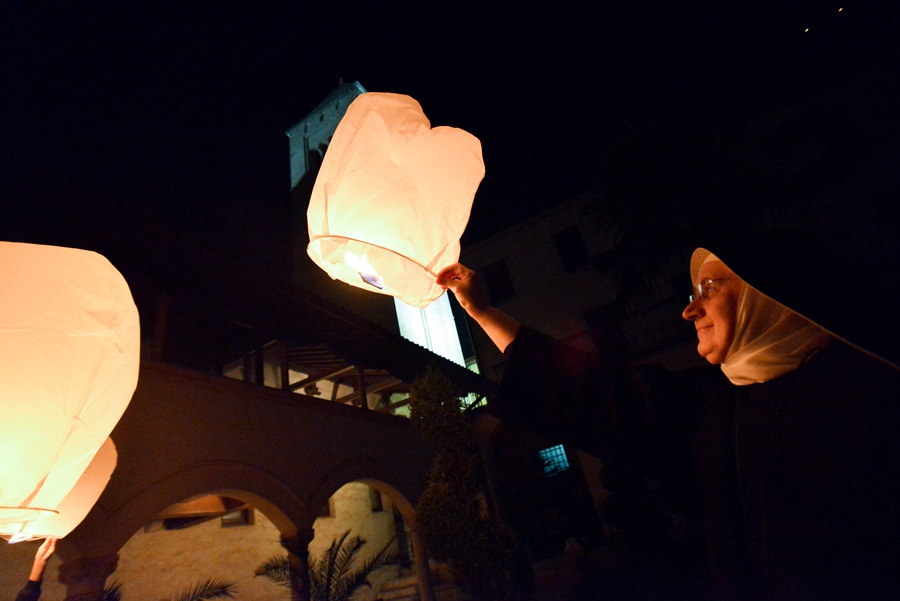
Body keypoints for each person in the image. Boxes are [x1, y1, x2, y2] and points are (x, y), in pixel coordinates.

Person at [436, 235, 899, 600]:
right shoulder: (717, 412)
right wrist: (482, 311)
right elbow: (595, 392)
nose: (689, 308)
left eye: (712, 288)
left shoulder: (869, 396)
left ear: (771, 294)